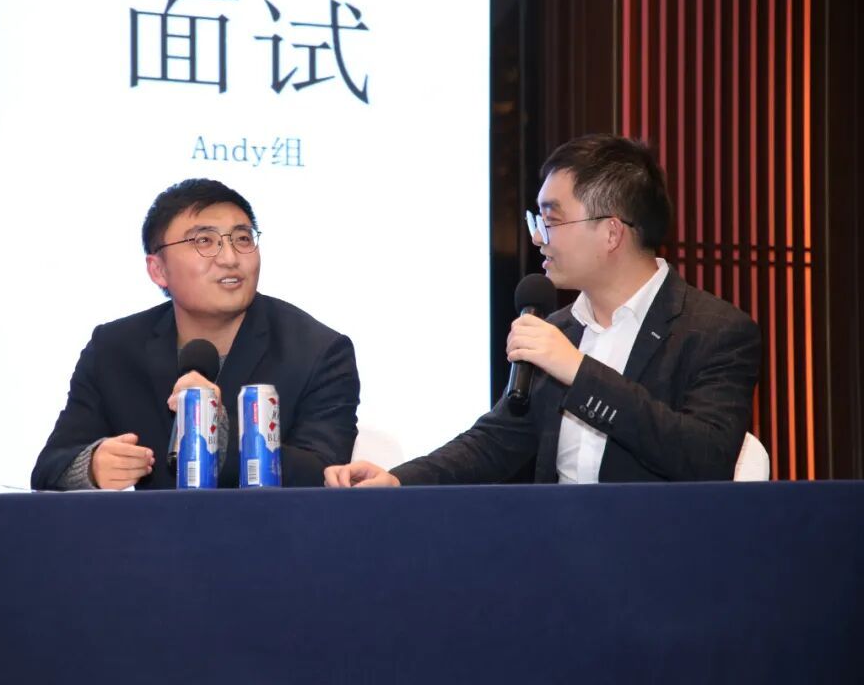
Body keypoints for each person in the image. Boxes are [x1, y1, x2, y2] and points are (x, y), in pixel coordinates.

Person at [325, 134, 761, 488]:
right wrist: (399, 480)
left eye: (551, 221)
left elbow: (705, 459)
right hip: (555, 546)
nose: (537, 238)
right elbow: (497, 440)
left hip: (658, 550)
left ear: (611, 233)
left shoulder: (715, 331)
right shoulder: (561, 328)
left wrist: (579, 372)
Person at [33, 178, 360, 490]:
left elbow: (323, 475)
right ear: (158, 270)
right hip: (151, 529)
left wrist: (217, 431)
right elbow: (50, 468)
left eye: (242, 239)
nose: (230, 258)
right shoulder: (114, 348)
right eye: (204, 241)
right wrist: (91, 467)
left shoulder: (318, 352)